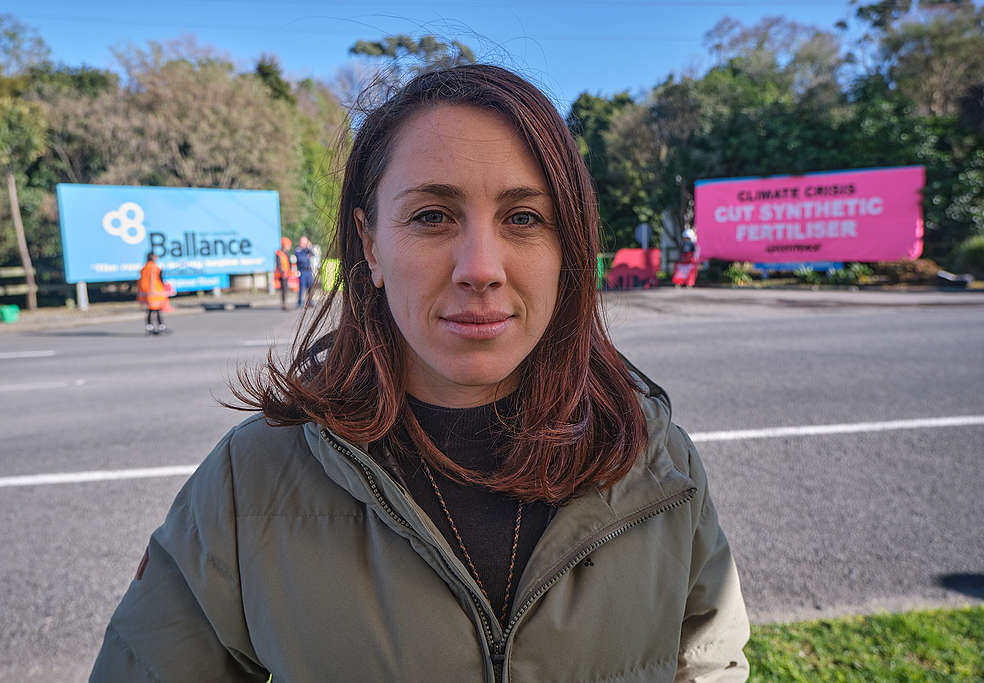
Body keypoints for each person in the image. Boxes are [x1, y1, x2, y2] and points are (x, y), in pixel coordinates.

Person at [92, 65, 749, 682]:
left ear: (567, 245)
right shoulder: (249, 482)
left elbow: (711, 661)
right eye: (432, 215)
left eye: (523, 217)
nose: (480, 266)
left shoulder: (659, 464)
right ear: (371, 243)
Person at [136, 252, 168, 335]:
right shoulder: (155, 268)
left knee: (150, 310)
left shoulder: (144, 268)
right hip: (155, 293)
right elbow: (160, 279)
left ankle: (150, 327)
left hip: (146, 292)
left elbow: (140, 281)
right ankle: (161, 326)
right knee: (157, 310)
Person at [293, 235, 316, 308]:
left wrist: (309, 247)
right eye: (303, 243)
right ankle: (299, 302)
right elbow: (301, 260)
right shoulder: (298, 250)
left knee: (311, 286)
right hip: (302, 271)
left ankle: (310, 301)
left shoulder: (307, 250)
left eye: (305, 243)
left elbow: (313, 254)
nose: (304, 245)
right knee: (301, 287)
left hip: (309, 271)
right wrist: (307, 256)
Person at [274, 236, 292, 311]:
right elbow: (279, 264)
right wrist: (282, 271)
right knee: (284, 289)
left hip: (286, 274)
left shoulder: (285, 254)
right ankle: (284, 304)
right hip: (282, 274)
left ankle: (284, 303)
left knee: (285, 289)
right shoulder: (279, 253)